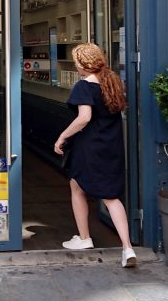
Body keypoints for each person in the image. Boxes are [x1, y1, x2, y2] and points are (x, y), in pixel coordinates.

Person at [53, 43, 137, 268]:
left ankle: (84, 238)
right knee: (111, 196)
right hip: (112, 146)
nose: (76, 66)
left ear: (83, 64)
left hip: (90, 146)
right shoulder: (113, 82)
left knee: (76, 186)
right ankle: (127, 248)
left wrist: (62, 136)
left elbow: (84, 118)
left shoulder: (84, 86)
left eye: (77, 62)